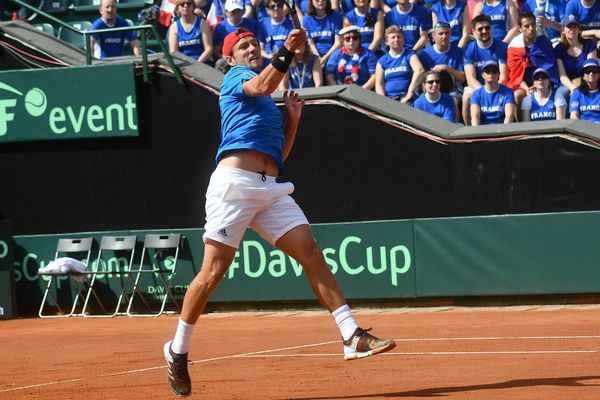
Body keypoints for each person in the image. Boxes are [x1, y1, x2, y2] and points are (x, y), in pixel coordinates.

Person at [163, 26, 397, 398]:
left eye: (255, 43)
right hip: (234, 186)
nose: (251, 48)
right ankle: (177, 350)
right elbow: (260, 86)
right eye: (243, 46)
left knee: (311, 252)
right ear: (230, 58)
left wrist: (294, 121)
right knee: (213, 272)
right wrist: (287, 50)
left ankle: (351, 335)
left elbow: (279, 156)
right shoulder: (238, 79)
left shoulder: (269, 106)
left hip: (269, 189)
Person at [506, 12, 559, 117]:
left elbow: (549, 70)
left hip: (543, 81)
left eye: (533, 25)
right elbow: (515, 75)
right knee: (517, 95)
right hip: (524, 85)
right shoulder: (513, 47)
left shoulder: (544, 43)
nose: (531, 28)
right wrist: (526, 89)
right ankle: (520, 127)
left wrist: (538, 86)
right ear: (519, 28)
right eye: (526, 26)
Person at [462, 14, 508, 125]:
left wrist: (493, 90)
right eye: (480, 29)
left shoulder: (502, 47)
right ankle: (469, 132)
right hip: (477, 87)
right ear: (473, 31)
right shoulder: (468, 49)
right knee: (467, 98)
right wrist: (484, 92)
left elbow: (504, 76)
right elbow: (470, 78)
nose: (484, 31)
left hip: (498, 86)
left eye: (487, 28)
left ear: (491, 28)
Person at [375, 25, 425, 102]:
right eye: (393, 37)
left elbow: (420, 70)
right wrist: (383, 100)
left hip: (407, 97)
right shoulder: (382, 60)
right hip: (389, 98)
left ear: (403, 39)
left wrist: (410, 93)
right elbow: (379, 84)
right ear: (386, 41)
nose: (396, 39)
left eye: (399, 37)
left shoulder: (409, 54)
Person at [418, 21, 465, 98]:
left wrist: (446, 68)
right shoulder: (425, 54)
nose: (444, 36)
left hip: (453, 90)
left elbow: (462, 78)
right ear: (433, 35)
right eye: (441, 34)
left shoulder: (458, 52)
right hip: (431, 91)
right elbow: (422, 79)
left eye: (447, 33)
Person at [555, 20, 598, 100]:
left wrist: (579, 81)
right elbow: (562, 76)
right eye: (569, 27)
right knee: (560, 96)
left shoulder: (589, 45)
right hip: (567, 84)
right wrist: (573, 88)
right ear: (563, 30)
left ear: (579, 30)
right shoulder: (559, 49)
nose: (572, 29)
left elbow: (590, 69)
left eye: (575, 27)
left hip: (587, 80)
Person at [470, 60, 516, 125]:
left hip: (502, 130)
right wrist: (477, 134)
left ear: (498, 75)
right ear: (482, 75)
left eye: (494, 72)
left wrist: (503, 133)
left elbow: (509, 117)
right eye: (487, 72)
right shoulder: (476, 94)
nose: (491, 74)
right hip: (483, 131)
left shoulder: (508, 92)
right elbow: (475, 118)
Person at [302, 0, 344, 68]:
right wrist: (318, 59)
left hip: (333, 54)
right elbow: (310, 43)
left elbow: (338, 43)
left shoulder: (336, 16)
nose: (320, 1)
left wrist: (325, 58)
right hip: (315, 54)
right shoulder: (306, 19)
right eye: (317, 0)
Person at [570, 59, 600, 123]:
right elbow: (573, 115)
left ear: (599, 75)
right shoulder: (577, 93)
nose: (591, 73)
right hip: (583, 128)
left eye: (594, 71)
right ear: (583, 76)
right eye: (587, 71)